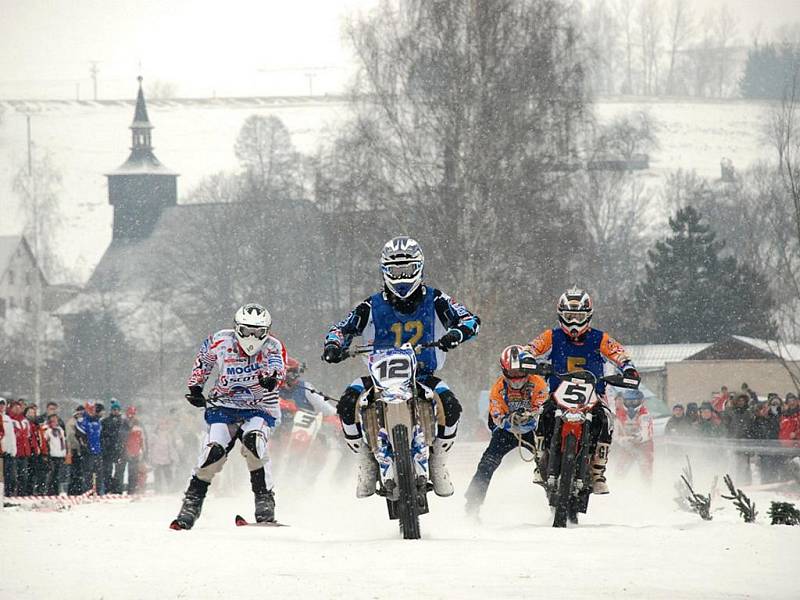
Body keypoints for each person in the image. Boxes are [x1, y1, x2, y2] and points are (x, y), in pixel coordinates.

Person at [321, 237, 480, 498]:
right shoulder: (370, 305)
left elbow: (470, 319)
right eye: (395, 271)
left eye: (407, 270)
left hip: (422, 375)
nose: (401, 277)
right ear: (385, 271)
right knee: (347, 403)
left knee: (451, 406)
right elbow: (341, 328)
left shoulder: (436, 299)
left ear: (419, 268)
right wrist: (333, 346)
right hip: (379, 376)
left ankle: (438, 460)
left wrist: (458, 333)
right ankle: (366, 460)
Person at [171, 303, 286, 530]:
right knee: (213, 450)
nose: (252, 338)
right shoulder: (220, 340)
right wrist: (195, 388)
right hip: (223, 405)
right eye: (246, 331)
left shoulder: (273, 346)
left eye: (258, 333)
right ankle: (191, 503)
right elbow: (203, 361)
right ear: (236, 328)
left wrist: (273, 380)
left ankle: (264, 499)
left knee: (255, 443)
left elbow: (278, 367)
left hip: (260, 406)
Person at [528, 288, 640, 494]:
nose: (573, 321)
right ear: (561, 314)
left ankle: (598, 470)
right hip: (558, 393)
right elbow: (532, 348)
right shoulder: (551, 336)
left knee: (607, 420)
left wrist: (628, 368)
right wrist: (527, 358)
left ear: (588, 316)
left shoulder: (600, 338)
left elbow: (619, 353)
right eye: (569, 316)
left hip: (592, 395)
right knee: (541, 415)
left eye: (578, 316)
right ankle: (540, 459)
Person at [464, 345, 548, 516]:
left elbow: (542, 408)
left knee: (547, 464)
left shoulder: (538, 383)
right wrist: (509, 420)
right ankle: (472, 504)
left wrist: (530, 416)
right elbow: (496, 416)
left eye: (519, 373)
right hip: (506, 431)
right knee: (487, 463)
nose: (516, 378)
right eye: (512, 374)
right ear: (504, 371)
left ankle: (556, 502)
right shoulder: (497, 389)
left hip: (534, 430)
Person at [275, 357, 338, 477]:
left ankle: (308, 479)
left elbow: (327, 409)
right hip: (278, 431)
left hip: (303, 432)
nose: (294, 378)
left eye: (296, 374)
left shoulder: (305, 388)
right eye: (290, 374)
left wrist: (336, 416)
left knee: (320, 445)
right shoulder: (272, 389)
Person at [612, 389, 654, 482]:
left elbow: (647, 431)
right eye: (628, 401)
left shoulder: (645, 414)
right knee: (620, 469)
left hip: (644, 445)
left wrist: (639, 437)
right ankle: (616, 487)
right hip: (627, 445)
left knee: (646, 467)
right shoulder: (618, 414)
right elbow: (615, 433)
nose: (631, 404)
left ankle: (646, 489)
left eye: (634, 401)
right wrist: (622, 440)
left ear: (641, 401)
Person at [100, 399, 128, 494]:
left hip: (120, 449)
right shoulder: (105, 421)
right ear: (111, 410)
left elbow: (127, 436)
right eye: (114, 409)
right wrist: (105, 446)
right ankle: (108, 489)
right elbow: (102, 436)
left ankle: (118, 489)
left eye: (117, 409)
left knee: (119, 471)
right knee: (107, 471)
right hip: (108, 450)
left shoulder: (124, 422)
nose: (115, 411)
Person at [76, 402, 104, 493]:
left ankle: (98, 492)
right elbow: (79, 436)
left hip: (97, 450)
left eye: (93, 410)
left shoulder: (98, 421)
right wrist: (85, 447)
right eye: (90, 410)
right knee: (87, 473)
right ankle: (87, 491)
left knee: (99, 473)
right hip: (88, 452)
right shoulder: (82, 421)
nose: (92, 412)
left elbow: (100, 436)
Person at [42, 414, 67, 495]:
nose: (55, 422)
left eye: (56, 420)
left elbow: (63, 441)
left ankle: (56, 490)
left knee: (58, 474)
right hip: (52, 455)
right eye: (52, 421)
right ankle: (49, 490)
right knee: (52, 473)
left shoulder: (61, 430)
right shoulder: (48, 430)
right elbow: (44, 442)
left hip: (61, 454)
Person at [124, 406, 146, 495]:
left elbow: (143, 439)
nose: (131, 417)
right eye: (129, 415)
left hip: (137, 451)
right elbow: (122, 438)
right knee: (130, 471)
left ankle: (138, 489)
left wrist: (144, 451)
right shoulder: (124, 424)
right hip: (128, 450)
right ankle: (130, 490)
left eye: (133, 415)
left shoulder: (139, 424)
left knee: (138, 472)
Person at [65, 405, 85, 495]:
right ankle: (73, 491)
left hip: (81, 450)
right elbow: (71, 437)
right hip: (74, 450)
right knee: (74, 472)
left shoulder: (83, 423)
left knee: (80, 471)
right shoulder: (72, 423)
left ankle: (79, 489)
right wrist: (80, 445)